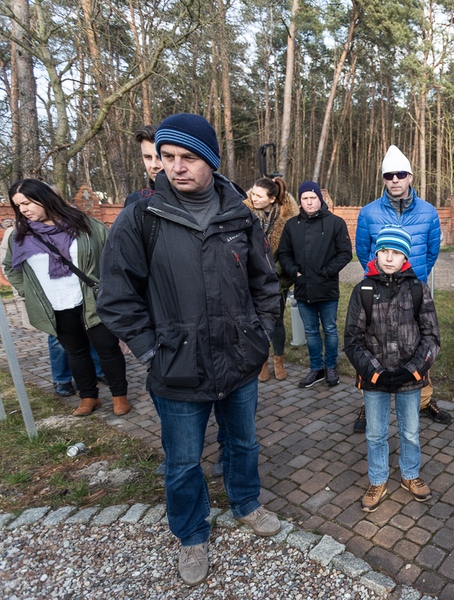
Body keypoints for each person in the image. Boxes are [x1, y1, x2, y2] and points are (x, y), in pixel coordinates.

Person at [98, 113, 283, 587]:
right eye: (168, 157)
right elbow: (116, 298)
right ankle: (192, 534)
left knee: (242, 443)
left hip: (239, 362)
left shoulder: (239, 215)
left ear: (211, 161)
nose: (175, 167)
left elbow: (265, 283)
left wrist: (259, 335)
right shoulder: (142, 217)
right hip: (176, 368)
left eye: (188, 157)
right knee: (182, 462)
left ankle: (245, 502)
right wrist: (152, 351)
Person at [2, 179, 129, 416]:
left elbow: (109, 260)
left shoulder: (85, 225)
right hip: (55, 305)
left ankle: (119, 396)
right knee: (75, 352)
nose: (23, 210)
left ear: (45, 199)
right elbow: (10, 268)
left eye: (27, 203)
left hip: (91, 301)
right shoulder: (19, 236)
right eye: (18, 206)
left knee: (108, 349)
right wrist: (28, 293)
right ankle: (89, 397)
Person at [352, 145, 450, 432]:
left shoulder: (428, 212)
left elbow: (431, 252)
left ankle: (423, 399)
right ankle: (368, 402)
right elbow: (363, 250)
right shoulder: (369, 213)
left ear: (410, 176)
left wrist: (415, 281)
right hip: (378, 293)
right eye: (389, 175)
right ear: (383, 179)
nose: (395, 180)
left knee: (420, 344)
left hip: (414, 294)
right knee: (372, 345)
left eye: (400, 174)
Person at [344, 225, 440, 513]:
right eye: (384, 251)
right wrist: (375, 372)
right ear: (376, 254)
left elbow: (432, 336)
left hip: (410, 378)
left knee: (410, 431)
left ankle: (410, 474)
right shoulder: (363, 290)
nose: (389, 257)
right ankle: (377, 478)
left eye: (396, 252)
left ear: (405, 258)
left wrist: (413, 370)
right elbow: (353, 339)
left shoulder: (417, 289)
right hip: (375, 379)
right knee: (375, 433)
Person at [277, 180, 351, 387]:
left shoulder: (335, 223)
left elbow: (345, 253)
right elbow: (284, 253)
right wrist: (294, 272)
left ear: (320, 199)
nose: (309, 202)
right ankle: (316, 368)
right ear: (300, 201)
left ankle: (331, 367)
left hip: (327, 287)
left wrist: (327, 272)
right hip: (303, 288)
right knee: (310, 331)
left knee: (329, 329)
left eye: (313, 198)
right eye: (305, 199)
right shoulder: (292, 225)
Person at [246, 176, 300, 382]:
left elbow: (291, 250)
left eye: (258, 195)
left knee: (276, 321)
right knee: (255, 321)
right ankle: (262, 362)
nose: (253, 198)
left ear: (272, 198)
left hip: (278, 279)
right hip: (251, 279)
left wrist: (275, 273)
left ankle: (279, 359)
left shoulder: (288, 219)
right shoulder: (245, 213)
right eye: (252, 193)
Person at [124, 124, 163, 207]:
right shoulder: (134, 202)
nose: (154, 165)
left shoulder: (192, 200)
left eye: (159, 157)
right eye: (148, 157)